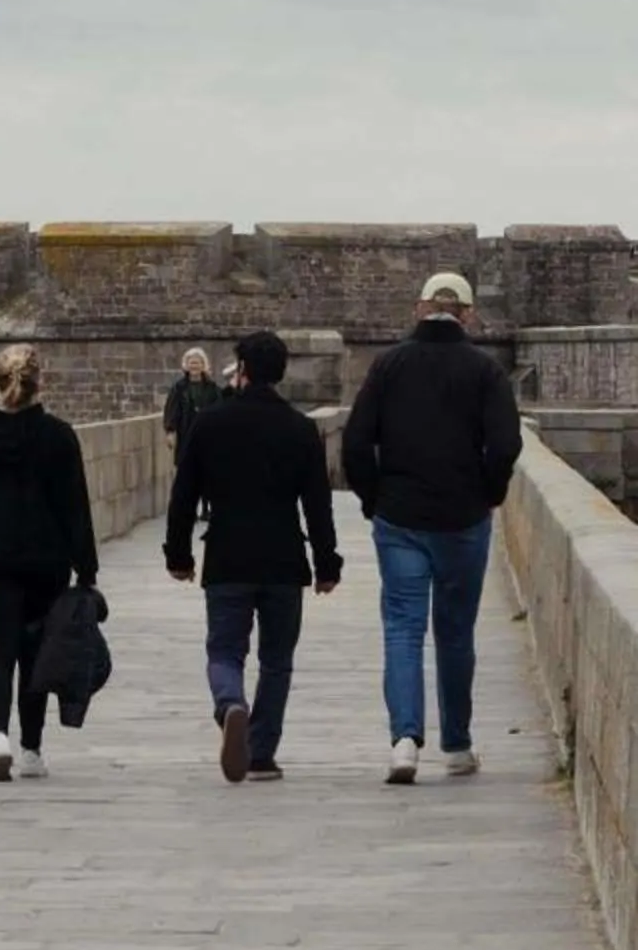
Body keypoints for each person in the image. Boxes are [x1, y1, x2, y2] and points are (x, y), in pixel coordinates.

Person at [342, 270, 522, 785]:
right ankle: (458, 746)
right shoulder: (485, 370)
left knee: (403, 628)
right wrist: (489, 493)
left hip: (400, 516)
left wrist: (374, 498)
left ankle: (404, 740)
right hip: (463, 518)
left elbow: (356, 442)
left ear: (420, 308)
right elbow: (505, 444)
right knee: (455, 631)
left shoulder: (388, 365)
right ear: (468, 314)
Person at [165, 331, 342, 781]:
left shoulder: (211, 423)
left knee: (225, 651)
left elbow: (183, 496)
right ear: (280, 372)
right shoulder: (299, 429)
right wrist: (326, 564)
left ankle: (230, 704)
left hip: (228, 555)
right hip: (283, 559)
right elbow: (317, 505)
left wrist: (178, 555)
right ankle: (261, 754)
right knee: (277, 661)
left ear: (241, 369)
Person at [0, 343, 101, 782]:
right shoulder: (59, 436)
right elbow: (75, 509)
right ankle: (31, 749)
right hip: (47, 561)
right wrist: (86, 568)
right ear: (39, 383)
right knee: (34, 654)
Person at [163, 348, 224, 456]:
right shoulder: (179, 388)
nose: (194, 366)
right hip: (185, 431)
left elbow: (220, 408)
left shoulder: (212, 388)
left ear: (203, 365)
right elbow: (172, 409)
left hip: (207, 432)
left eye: (197, 363)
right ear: (186, 365)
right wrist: (170, 431)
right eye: (191, 363)